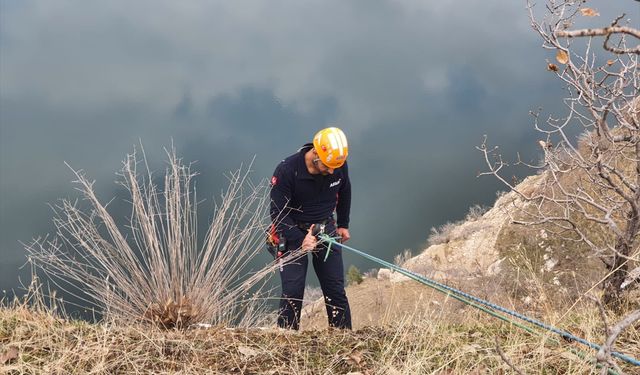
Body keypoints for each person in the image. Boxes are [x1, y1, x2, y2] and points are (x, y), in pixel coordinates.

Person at [269, 126, 352, 330]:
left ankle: (343, 339)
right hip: (291, 231)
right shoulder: (287, 170)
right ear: (315, 153)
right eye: (327, 166)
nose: (332, 171)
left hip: (325, 229)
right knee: (293, 293)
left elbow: (345, 190)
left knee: (336, 291)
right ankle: (285, 341)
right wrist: (300, 239)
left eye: (335, 166)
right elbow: (278, 213)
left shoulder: (337, 165)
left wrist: (343, 224)